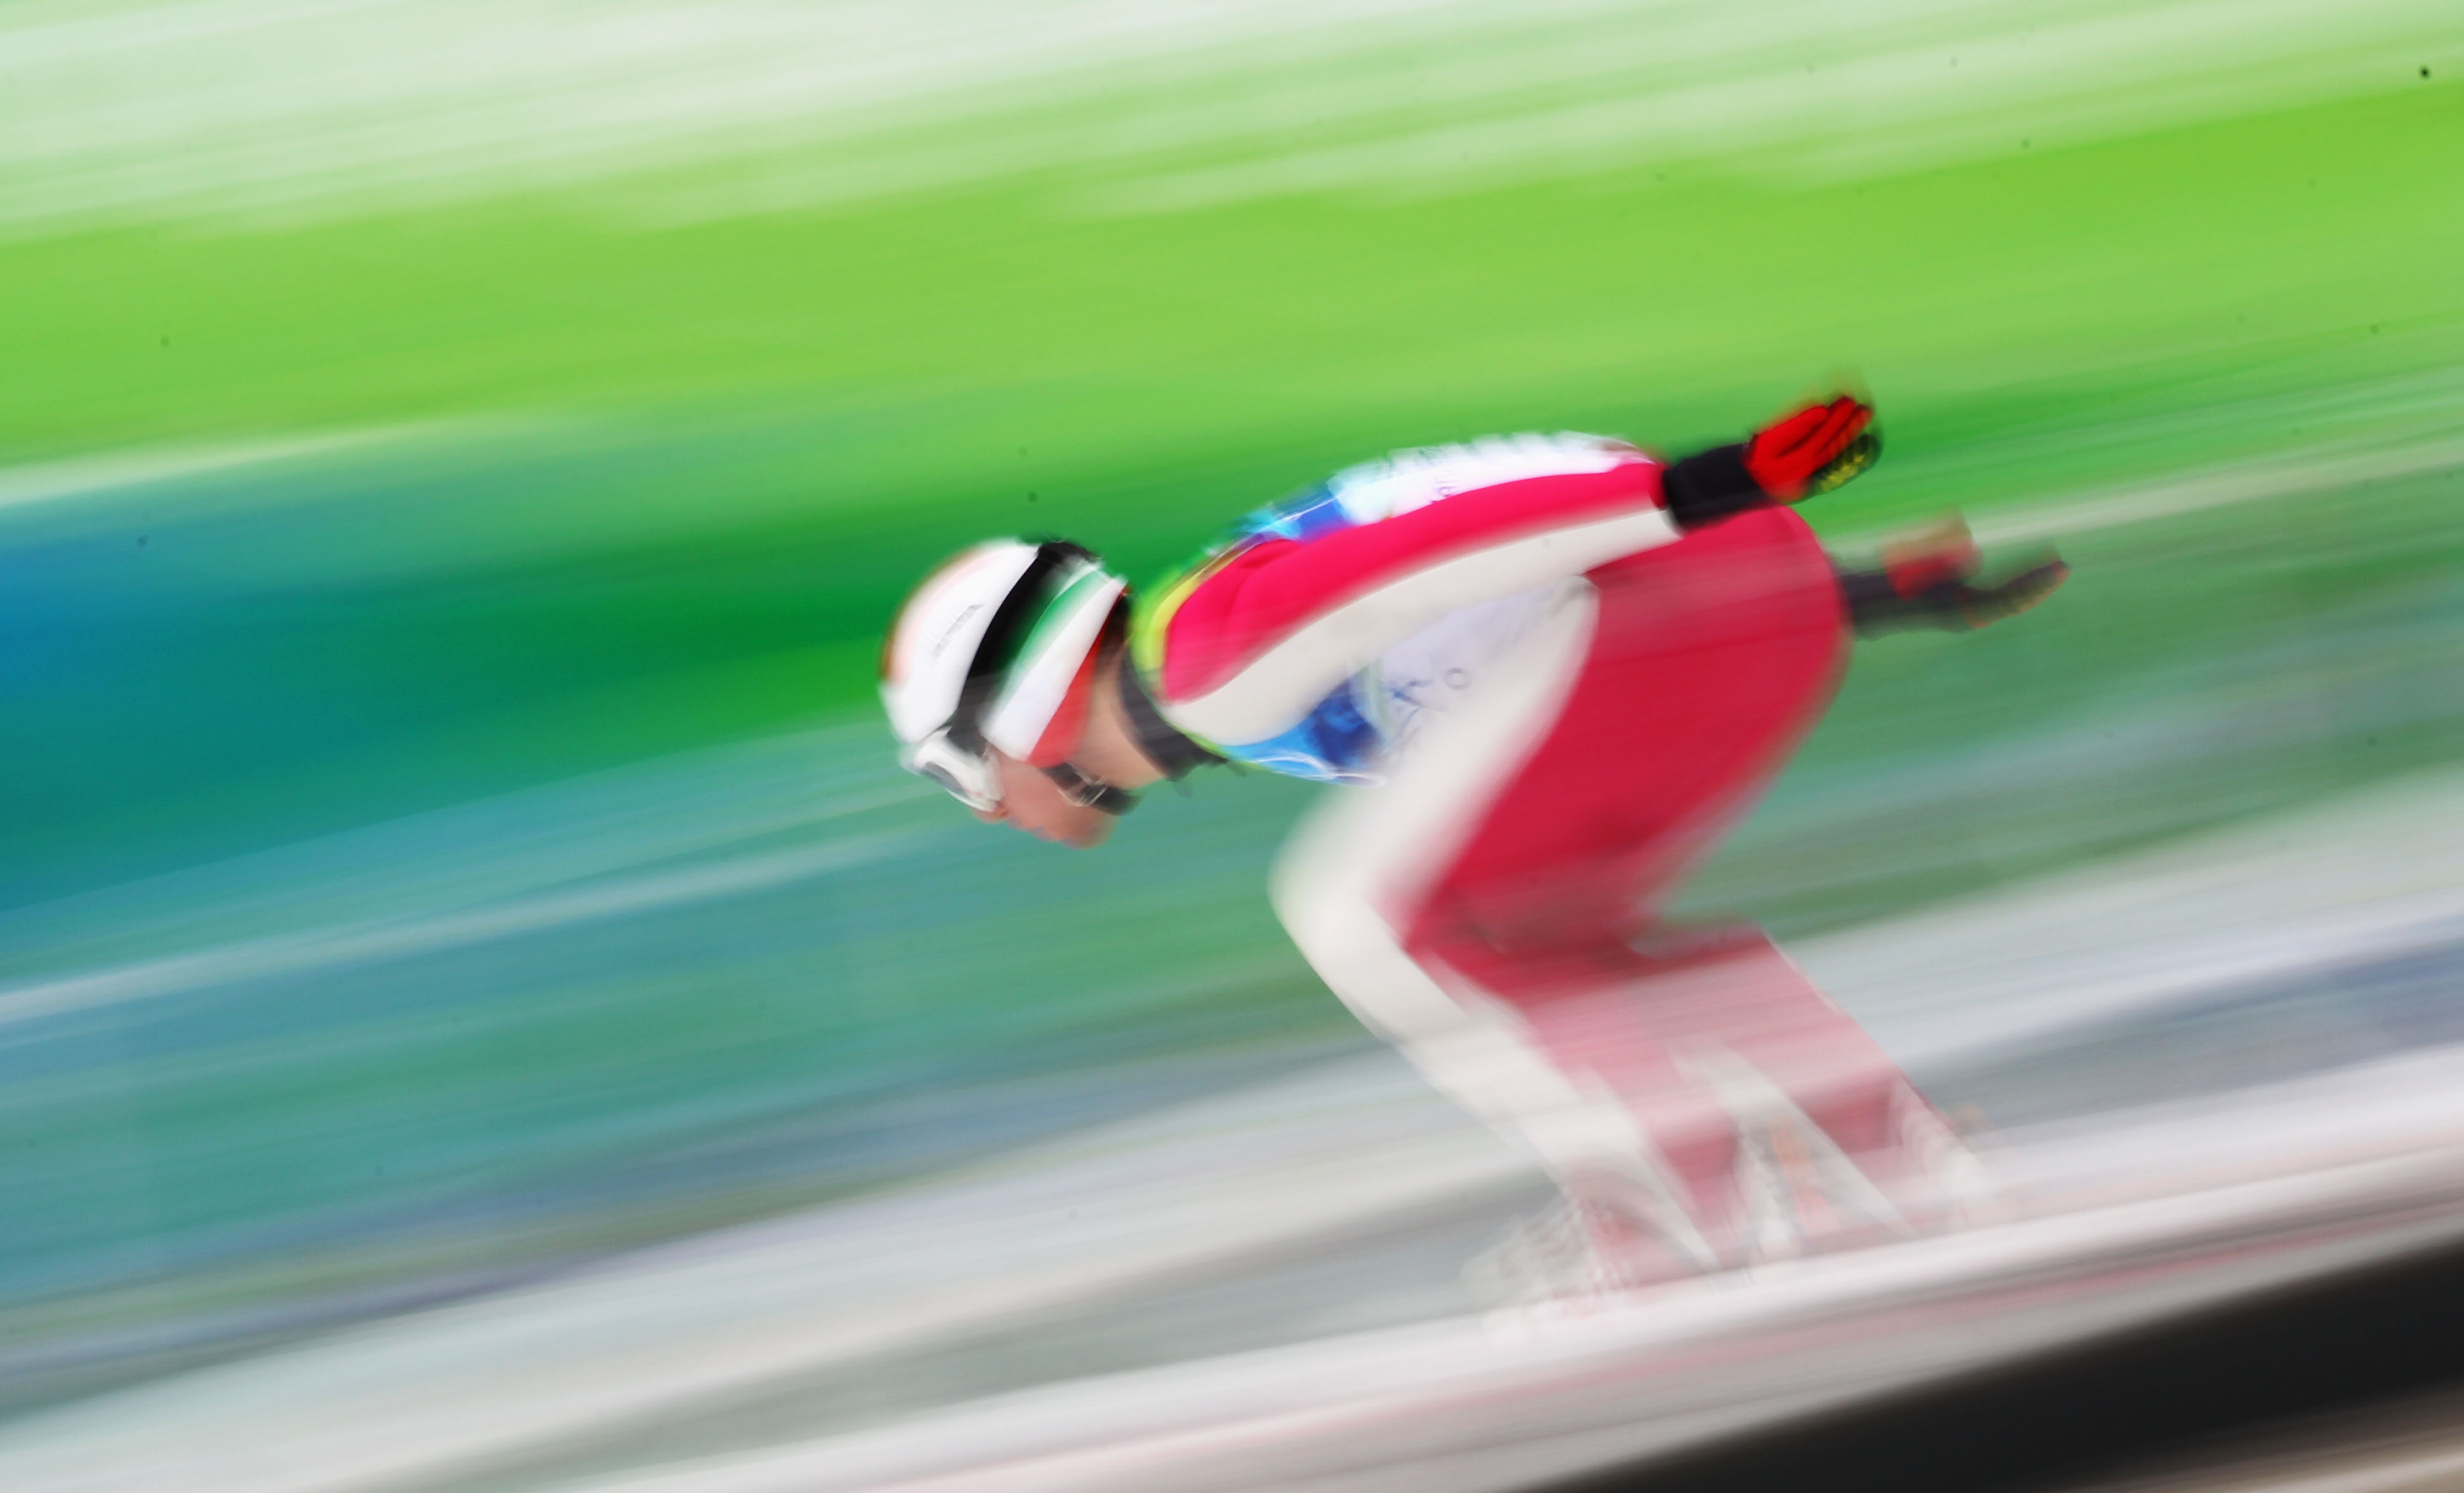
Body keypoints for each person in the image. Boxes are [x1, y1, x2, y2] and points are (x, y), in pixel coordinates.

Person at [878, 394, 2064, 1300]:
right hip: (1734, 595)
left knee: (1360, 913)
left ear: (1019, 712)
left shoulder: (1203, 666)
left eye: (954, 771)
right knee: (1540, 940)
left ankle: (1669, 1220)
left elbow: (1421, 559)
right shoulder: (1208, 653)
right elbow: (1477, 595)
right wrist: (1861, 590)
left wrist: (1713, 482)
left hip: (1683, 561)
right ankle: (1901, 1154)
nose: (983, 810)